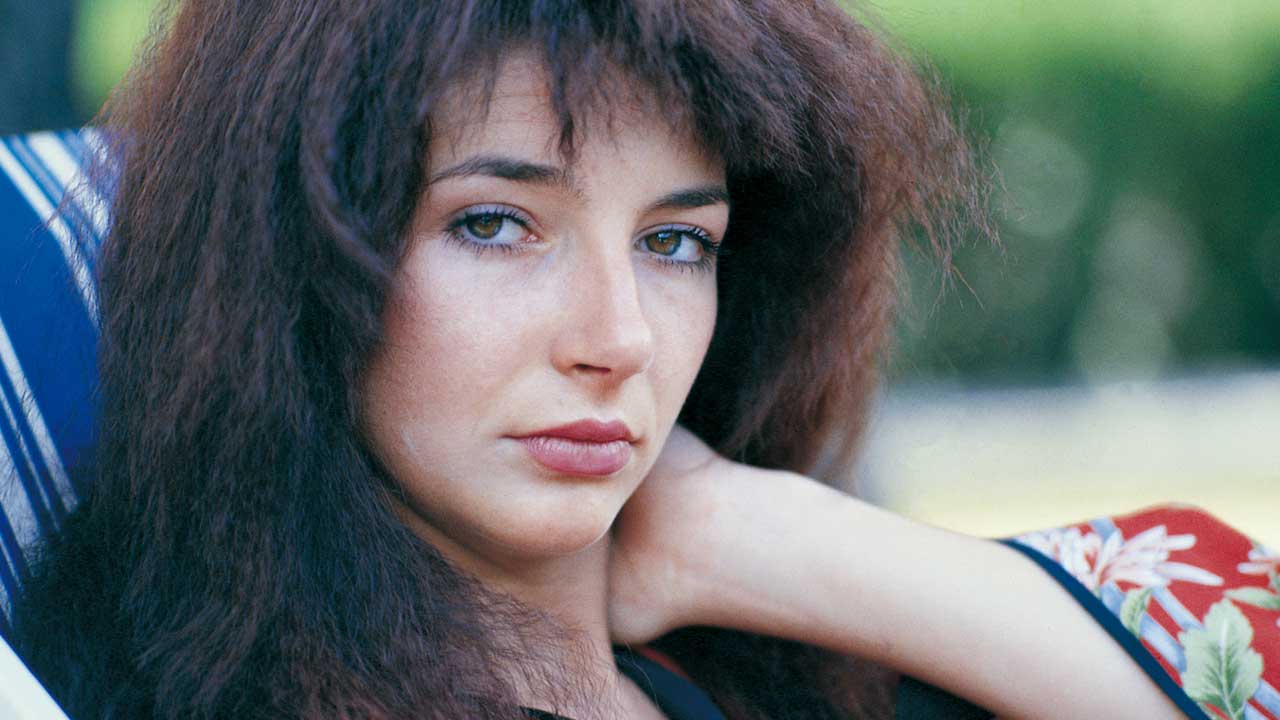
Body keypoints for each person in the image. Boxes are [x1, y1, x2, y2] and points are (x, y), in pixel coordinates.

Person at [5, 1, 1276, 719]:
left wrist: (748, 536)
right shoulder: (154, 688)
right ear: (296, 256)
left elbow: (1245, 668)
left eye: (675, 241)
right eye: (494, 225)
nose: (616, 338)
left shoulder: (771, 655)